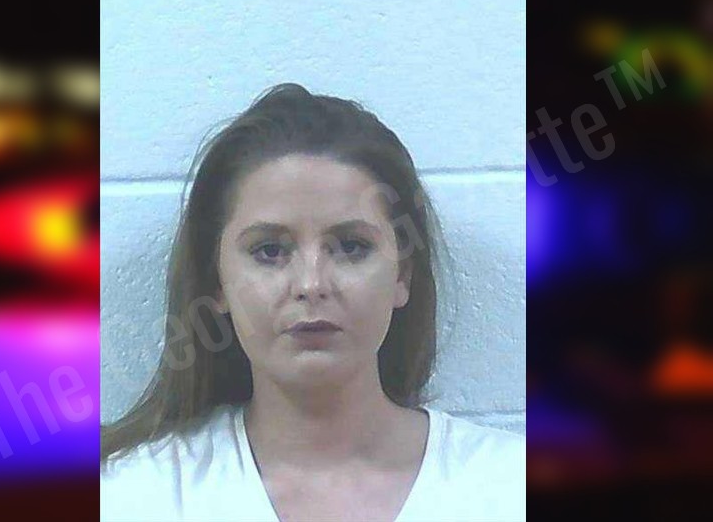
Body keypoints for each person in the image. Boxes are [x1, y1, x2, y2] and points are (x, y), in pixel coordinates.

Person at [100, 83, 525, 521]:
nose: (311, 283)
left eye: (352, 247)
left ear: (402, 276)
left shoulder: (510, 485)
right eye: (269, 251)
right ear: (217, 283)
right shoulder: (132, 494)